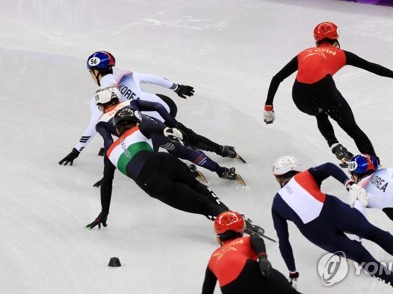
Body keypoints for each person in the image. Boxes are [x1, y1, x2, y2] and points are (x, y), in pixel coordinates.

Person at [270, 156, 393, 294]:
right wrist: (349, 183)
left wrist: (292, 271)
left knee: (361, 257)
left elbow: (283, 241)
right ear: (299, 170)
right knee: (373, 233)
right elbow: (328, 166)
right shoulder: (305, 175)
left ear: (277, 178)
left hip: (314, 232)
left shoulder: (276, 204)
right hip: (331, 209)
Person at [85, 106, 263, 235]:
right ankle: (233, 216)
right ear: (135, 122)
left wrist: (104, 213)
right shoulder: (139, 128)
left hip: (150, 180)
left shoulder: (109, 153)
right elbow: (151, 127)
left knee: (202, 205)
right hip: (165, 161)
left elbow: (107, 183)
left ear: (117, 128)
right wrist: (167, 130)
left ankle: (230, 224)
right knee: (197, 187)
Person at [263, 22, 393, 164]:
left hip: (300, 98)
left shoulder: (304, 53)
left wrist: (268, 107)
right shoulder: (341, 54)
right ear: (336, 41)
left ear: (316, 42)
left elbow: (277, 78)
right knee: (352, 129)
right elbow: (371, 67)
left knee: (319, 112)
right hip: (323, 91)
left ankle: (333, 144)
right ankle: (373, 164)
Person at [59, 51, 238, 166]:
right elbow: (154, 78)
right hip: (164, 105)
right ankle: (222, 149)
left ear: (95, 72)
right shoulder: (126, 75)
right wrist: (177, 87)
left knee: (152, 136)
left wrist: (76, 151)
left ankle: (183, 160)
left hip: (149, 120)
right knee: (186, 133)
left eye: (91, 72)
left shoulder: (99, 98)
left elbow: (92, 128)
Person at [93, 86, 238, 181]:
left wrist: (107, 174)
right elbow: (157, 105)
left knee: (155, 164)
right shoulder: (130, 102)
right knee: (186, 152)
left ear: (101, 105)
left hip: (139, 140)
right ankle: (222, 171)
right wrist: (173, 124)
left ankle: (185, 171)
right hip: (156, 128)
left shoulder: (101, 122)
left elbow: (108, 144)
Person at [201, 211, 308, 294]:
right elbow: (256, 239)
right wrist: (262, 258)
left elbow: (207, 291)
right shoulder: (242, 241)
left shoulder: (213, 257)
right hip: (251, 272)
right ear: (241, 231)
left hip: (230, 291)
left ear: (219, 236)